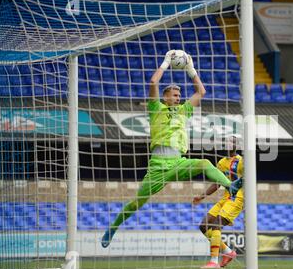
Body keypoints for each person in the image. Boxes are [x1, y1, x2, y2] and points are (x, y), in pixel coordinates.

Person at [101, 50, 243, 248]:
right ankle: (114, 227)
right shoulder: (155, 109)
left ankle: (230, 186)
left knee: (205, 163)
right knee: (137, 203)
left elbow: (201, 92)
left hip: (178, 161)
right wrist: (166, 62)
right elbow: (152, 83)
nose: (178, 98)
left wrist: (191, 69)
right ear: (165, 97)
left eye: (179, 95)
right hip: (158, 166)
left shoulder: (184, 111)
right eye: (174, 95)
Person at [193, 136, 243, 269]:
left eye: (231, 142)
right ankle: (228, 252)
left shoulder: (241, 162)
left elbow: (247, 179)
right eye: (225, 142)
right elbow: (217, 183)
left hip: (237, 199)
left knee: (216, 226)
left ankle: (214, 261)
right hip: (225, 198)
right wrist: (202, 196)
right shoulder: (221, 163)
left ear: (236, 145)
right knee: (204, 226)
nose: (227, 144)